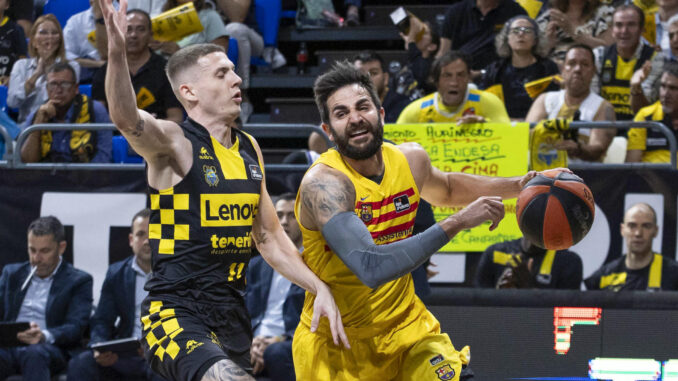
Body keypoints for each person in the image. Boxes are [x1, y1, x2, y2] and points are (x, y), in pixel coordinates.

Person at [98, 1, 348, 380]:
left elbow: (268, 236)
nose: (236, 80)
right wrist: (116, 55)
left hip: (231, 313)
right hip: (174, 312)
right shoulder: (175, 141)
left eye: (234, 71)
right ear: (190, 92)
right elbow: (127, 119)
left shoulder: (249, 148)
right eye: (221, 74)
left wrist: (318, 287)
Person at [293, 60, 544, 380]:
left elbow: (449, 187)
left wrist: (519, 186)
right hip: (337, 345)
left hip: (407, 332)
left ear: (381, 115)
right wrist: (457, 222)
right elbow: (372, 267)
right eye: (341, 114)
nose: (355, 119)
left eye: (362, 107)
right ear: (328, 131)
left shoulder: (410, 159)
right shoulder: (325, 185)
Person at [66, 209, 166, 381]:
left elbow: (189, 319)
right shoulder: (117, 273)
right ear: (131, 239)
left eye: (154, 233)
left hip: (164, 353)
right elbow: (102, 320)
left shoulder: (178, 272)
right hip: (127, 352)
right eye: (141, 234)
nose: (147, 241)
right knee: (80, 364)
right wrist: (99, 347)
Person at [0, 216, 93, 381]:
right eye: (32, 250)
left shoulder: (78, 281)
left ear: (61, 247)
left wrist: (43, 335)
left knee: (34, 352)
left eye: (44, 251)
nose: (36, 258)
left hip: (49, 348)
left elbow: (76, 327)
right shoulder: (12, 274)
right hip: (10, 347)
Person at [246, 194, 304, 381]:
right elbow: (241, 311)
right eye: (279, 215)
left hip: (289, 340)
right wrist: (251, 342)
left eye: (291, 216)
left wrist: (278, 340)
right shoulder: (256, 265)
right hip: (254, 341)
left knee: (276, 353)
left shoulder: (314, 265)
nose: (284, 222)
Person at [526, 44, 616, 163]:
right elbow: (527, 137)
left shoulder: (604, 107)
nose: (578, 69)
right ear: (563, 69)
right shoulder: (545, 99)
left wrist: (578, 149)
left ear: (594, 71)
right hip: (543, 174)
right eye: (572, 63)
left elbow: (598, 148)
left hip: (584, 177)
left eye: (584, 64)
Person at [92, 9, 183, 123]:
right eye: (128, 29)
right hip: (116, 134)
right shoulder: (105, 71)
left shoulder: (166, 70)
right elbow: (98, 119)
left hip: (157, 135)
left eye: (141, 29)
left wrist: (150, 127)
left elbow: (176, 118)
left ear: (150, 35)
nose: (134, 35)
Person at [19, 62, 112, 163]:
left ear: (76, 88)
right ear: (46, 89)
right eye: (53, 84)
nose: (58, 90)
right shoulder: (37, 115)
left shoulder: (95, 110)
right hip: (46, 176)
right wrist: (39, 122)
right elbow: (27, 161)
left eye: (65, 84)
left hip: (85, 175)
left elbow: (103, 157)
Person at [478, 15, 560, 120]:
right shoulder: (495, 69)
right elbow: (482, 99)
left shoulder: (548, 68)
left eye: (527, 30)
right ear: (507, 39)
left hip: (536, 126)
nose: (521, 34)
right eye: (515, 30)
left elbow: (553, 103)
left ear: (535, 40)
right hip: (502, 126)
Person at [397, 51, 510, 124]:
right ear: (436, 82)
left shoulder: (489, 102)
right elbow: (396, 145)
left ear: (468, 79)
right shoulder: (416, 111)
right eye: (447, 76)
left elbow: (509, 136)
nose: (454, 82)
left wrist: (484, 125)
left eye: (460, 75)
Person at [585, 203, 678, 291]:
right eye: (632, 226)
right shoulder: (604, 276)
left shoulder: (673, 274)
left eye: (646, 226)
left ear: (656, 231)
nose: (638, 233)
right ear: (622, 230)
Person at [7, 14, 80, 124]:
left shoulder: (72, 67)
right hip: (28, 127)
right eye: (43, 32)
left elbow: (64, 101)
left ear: (60, 40)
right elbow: (12, 103)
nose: (49, 37)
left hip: (59, 125)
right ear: (34, 41)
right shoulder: (21, 66)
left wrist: (50, 70)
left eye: (54, 33)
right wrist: (36, 74)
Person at [593, 4, 655, 121]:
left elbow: (646, 115)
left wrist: (636, 88)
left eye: (631, 25)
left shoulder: (654, 59)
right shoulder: (598, 56)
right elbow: (592, 105)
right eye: (619, 25)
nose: (624, 31)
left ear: (642, 29)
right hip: (604, 128)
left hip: (640, 129)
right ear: (612, 30)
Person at [437, 0, 527, 71]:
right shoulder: (456, 11)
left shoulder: (515, 12)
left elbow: (524, 52)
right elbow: (444, 52)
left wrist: (482, 73)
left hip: (499, 74)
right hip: (460, 73)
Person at [474, 237, 583, 289]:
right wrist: (498, 295)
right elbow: (478, 310)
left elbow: (564, 319)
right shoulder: (494, 253)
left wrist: (528, 290)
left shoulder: (568, 262)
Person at [626, 61, 678, 165]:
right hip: (651, 179)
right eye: (663, 86)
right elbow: (631, 166)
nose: (665, 94)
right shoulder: (645, 116)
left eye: (673, 88)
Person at [536, 0, 614, 66]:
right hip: (554, 72)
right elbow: (535, 55)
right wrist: (549, 42)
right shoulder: (550, 16)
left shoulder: (605, 13)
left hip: (591, 70)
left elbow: (608, 50)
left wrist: (573, 32)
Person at [630, 13, 678, 114]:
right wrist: (636, 87)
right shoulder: (658, 62)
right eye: (671, 35)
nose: (675, 40)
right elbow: (642, 110)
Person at [353, 50, 412, 123]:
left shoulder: (404, 106)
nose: (366, 78)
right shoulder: (347, 107)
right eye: (360, 74)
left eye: (373, 73)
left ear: (386, 78)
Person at [63, 0, 108, 83]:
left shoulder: (125, 17)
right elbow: (65, 56)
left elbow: (107, 55)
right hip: (84, 75)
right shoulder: (75, 22)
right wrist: (97, 64)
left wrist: (100, 19)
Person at [399, 18, 439, 96]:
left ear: (431, 46)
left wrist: (411, 42)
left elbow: (420, 74)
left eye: (424, 33)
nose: (418, 35)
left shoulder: (431, 67)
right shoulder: (412, 61)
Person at [0, 0, 27, 85]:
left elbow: (22, 62)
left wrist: (11, 79)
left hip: (6, 86)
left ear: (7, 5)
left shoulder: (16, 30)